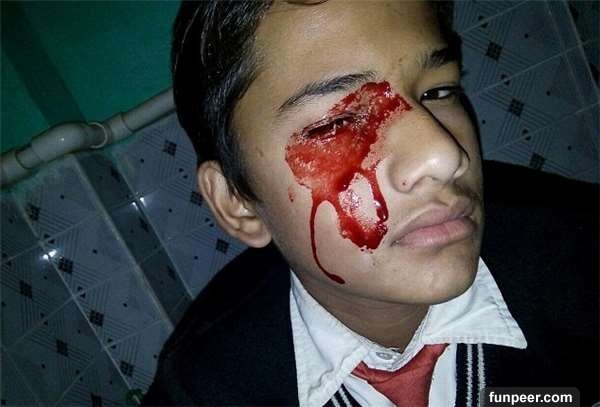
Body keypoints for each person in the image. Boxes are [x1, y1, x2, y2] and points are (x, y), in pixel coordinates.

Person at [143, 1, 599, 406]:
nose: (443, 155)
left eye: (438, 91)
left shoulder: (581, 260)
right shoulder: (205, 388)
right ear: (238, 202)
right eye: (335, 123)